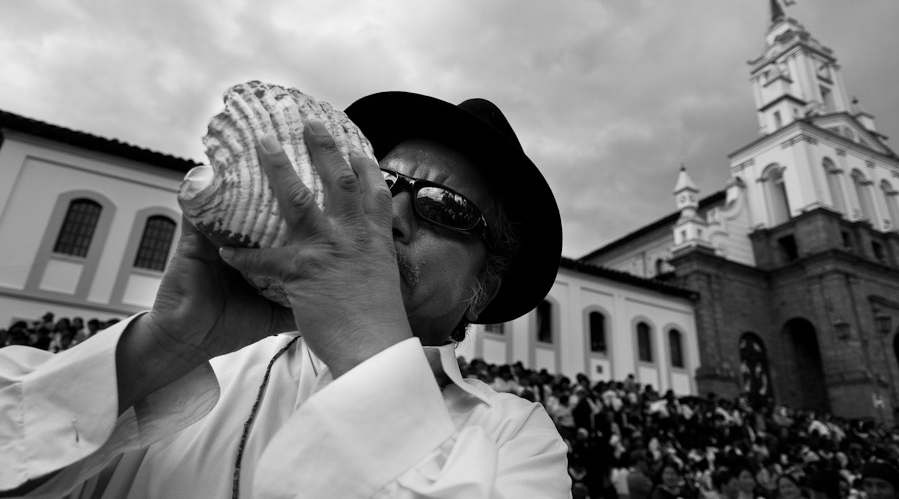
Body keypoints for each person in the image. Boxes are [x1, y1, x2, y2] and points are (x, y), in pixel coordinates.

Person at [0, 93, 569, 497]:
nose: (387, 215)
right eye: (383, 185)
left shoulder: (513, 435)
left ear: (483, 287)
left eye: (444, 208)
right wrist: (163, 345)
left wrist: (365, 345)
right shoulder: (194, 366)